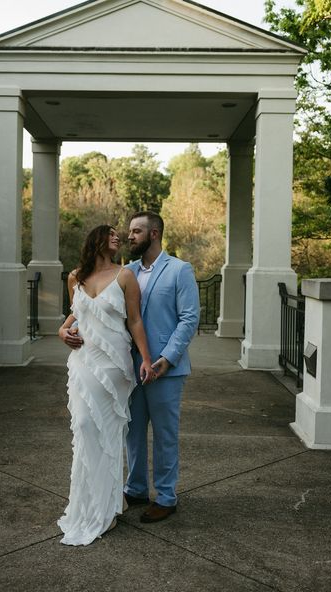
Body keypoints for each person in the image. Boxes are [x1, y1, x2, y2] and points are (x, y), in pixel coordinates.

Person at [57, 225, 155, 546]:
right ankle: (95, 501)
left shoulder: (125, 275)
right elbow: (75, 316)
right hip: (84, 360)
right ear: (96, 239)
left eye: (119, 234)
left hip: (114, 365)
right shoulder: (75, 277)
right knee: (85, 425)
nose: (118, 237)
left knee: (109, 432)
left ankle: (110, 507)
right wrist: (62, 331)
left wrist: (145, 358)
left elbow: (135, 320)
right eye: (111, 233)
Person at [124, 211, 200, 523]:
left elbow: (189, 318)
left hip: (165, 370)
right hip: (130, 368)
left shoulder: (180, 270)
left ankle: (166, 496)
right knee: (132, 432)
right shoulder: (125, 271)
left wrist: (167, 359)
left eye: (137, 231)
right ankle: (136, 488)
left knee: (165, 435)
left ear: (154, 234)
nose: (130, 236)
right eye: (129, 231)